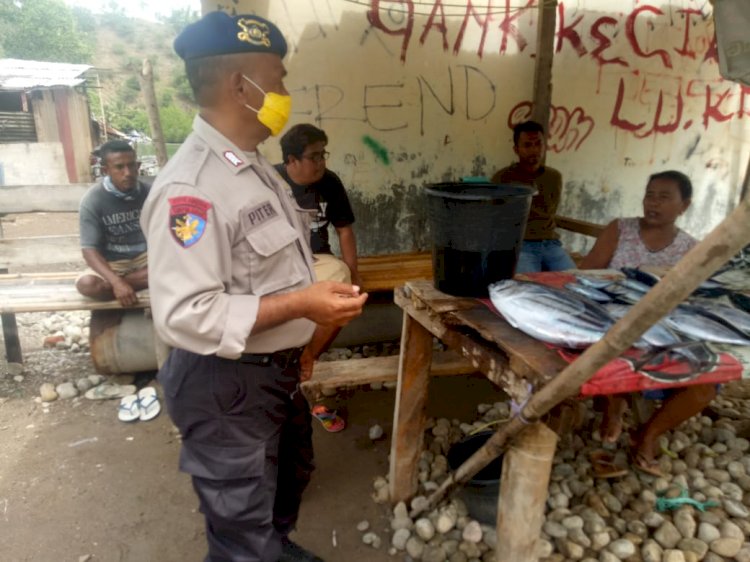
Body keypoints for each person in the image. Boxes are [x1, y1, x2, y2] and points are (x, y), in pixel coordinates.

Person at [140, 12, 367, 562]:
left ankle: (277, 549)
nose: (285, 92)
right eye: (279, 78)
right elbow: (185, 314)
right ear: (241, 86)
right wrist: (302, 303)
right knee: (240, 524)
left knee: (285, 485)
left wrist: (316, 301)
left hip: (273, 374)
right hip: (225, 385)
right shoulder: (191, 189)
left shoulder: (256, 169)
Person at [580, 170, 709, 477]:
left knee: (706, 384)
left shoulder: (691, 249)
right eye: (650, 195)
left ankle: (649, 433)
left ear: (684, 205)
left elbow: (692, 301)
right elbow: (585, 273)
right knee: (614, 351)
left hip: (664, 327)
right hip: (612, 318)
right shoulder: (620, 229)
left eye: (664, 197)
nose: (653, 203)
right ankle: (614, 408)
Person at [275, 124, 361, 385]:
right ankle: (283, 361)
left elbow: (344, 231)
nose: (321, 161)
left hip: (318, 260)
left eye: (323, 154)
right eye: (314, 156)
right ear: (292, 160)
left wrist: (355, 276)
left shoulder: (330, 182)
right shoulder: (271, 181)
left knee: (343, 285)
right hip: (281, 261)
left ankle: (308, 354)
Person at [491, 120, 575, 273]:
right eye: (527, 145)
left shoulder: (554, 177)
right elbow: (494, 218)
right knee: (529, 287)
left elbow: (550, 212)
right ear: (516, 149)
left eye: (538, 144)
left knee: (576, 282)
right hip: (521, 245)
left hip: (550, 243)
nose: (534, 150)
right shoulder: (503, 178)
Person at [76, 140, 149, 307]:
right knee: (87, 285)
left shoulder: (150, 193)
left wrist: (121, 283)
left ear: (138, 166)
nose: (128, 173)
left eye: (131, 166)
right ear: (105, 170)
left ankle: (124, 287)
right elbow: (89, 250)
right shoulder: (93, 200)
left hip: (147, 260)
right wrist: (116, 282)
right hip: (112, 263)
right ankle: (128, 286)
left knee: (176, 270)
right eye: (119, 167)